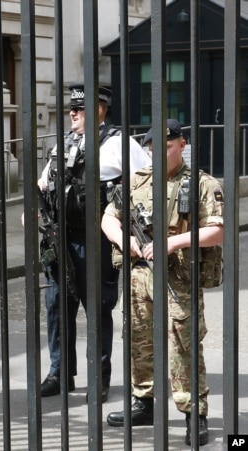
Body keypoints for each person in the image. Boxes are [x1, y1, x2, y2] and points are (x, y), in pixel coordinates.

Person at [103, 119, 223, 446]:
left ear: (182, 145)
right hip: (140, 274)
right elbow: (108, 216)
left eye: (166, 147)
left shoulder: (200, 183)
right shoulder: (137, 181)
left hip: (178, 276)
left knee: (183, 343)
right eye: (153, 148)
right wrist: (123, 238)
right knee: (139, 337)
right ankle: (143, 402)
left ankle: (193, 413)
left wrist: (173, 242)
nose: (157, 154)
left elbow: (217, 230)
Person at [35, 83, 152, 401]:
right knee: (58, 307)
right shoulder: (63, 144)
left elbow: (147, 185)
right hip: (61, 240)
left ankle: (100, 378)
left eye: (78, 108)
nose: (71, 113)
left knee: (97, 309)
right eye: (70, 108)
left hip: (97, 240)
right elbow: (43, 184)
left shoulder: (119, 144)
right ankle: (59, 373)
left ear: (98, 109)